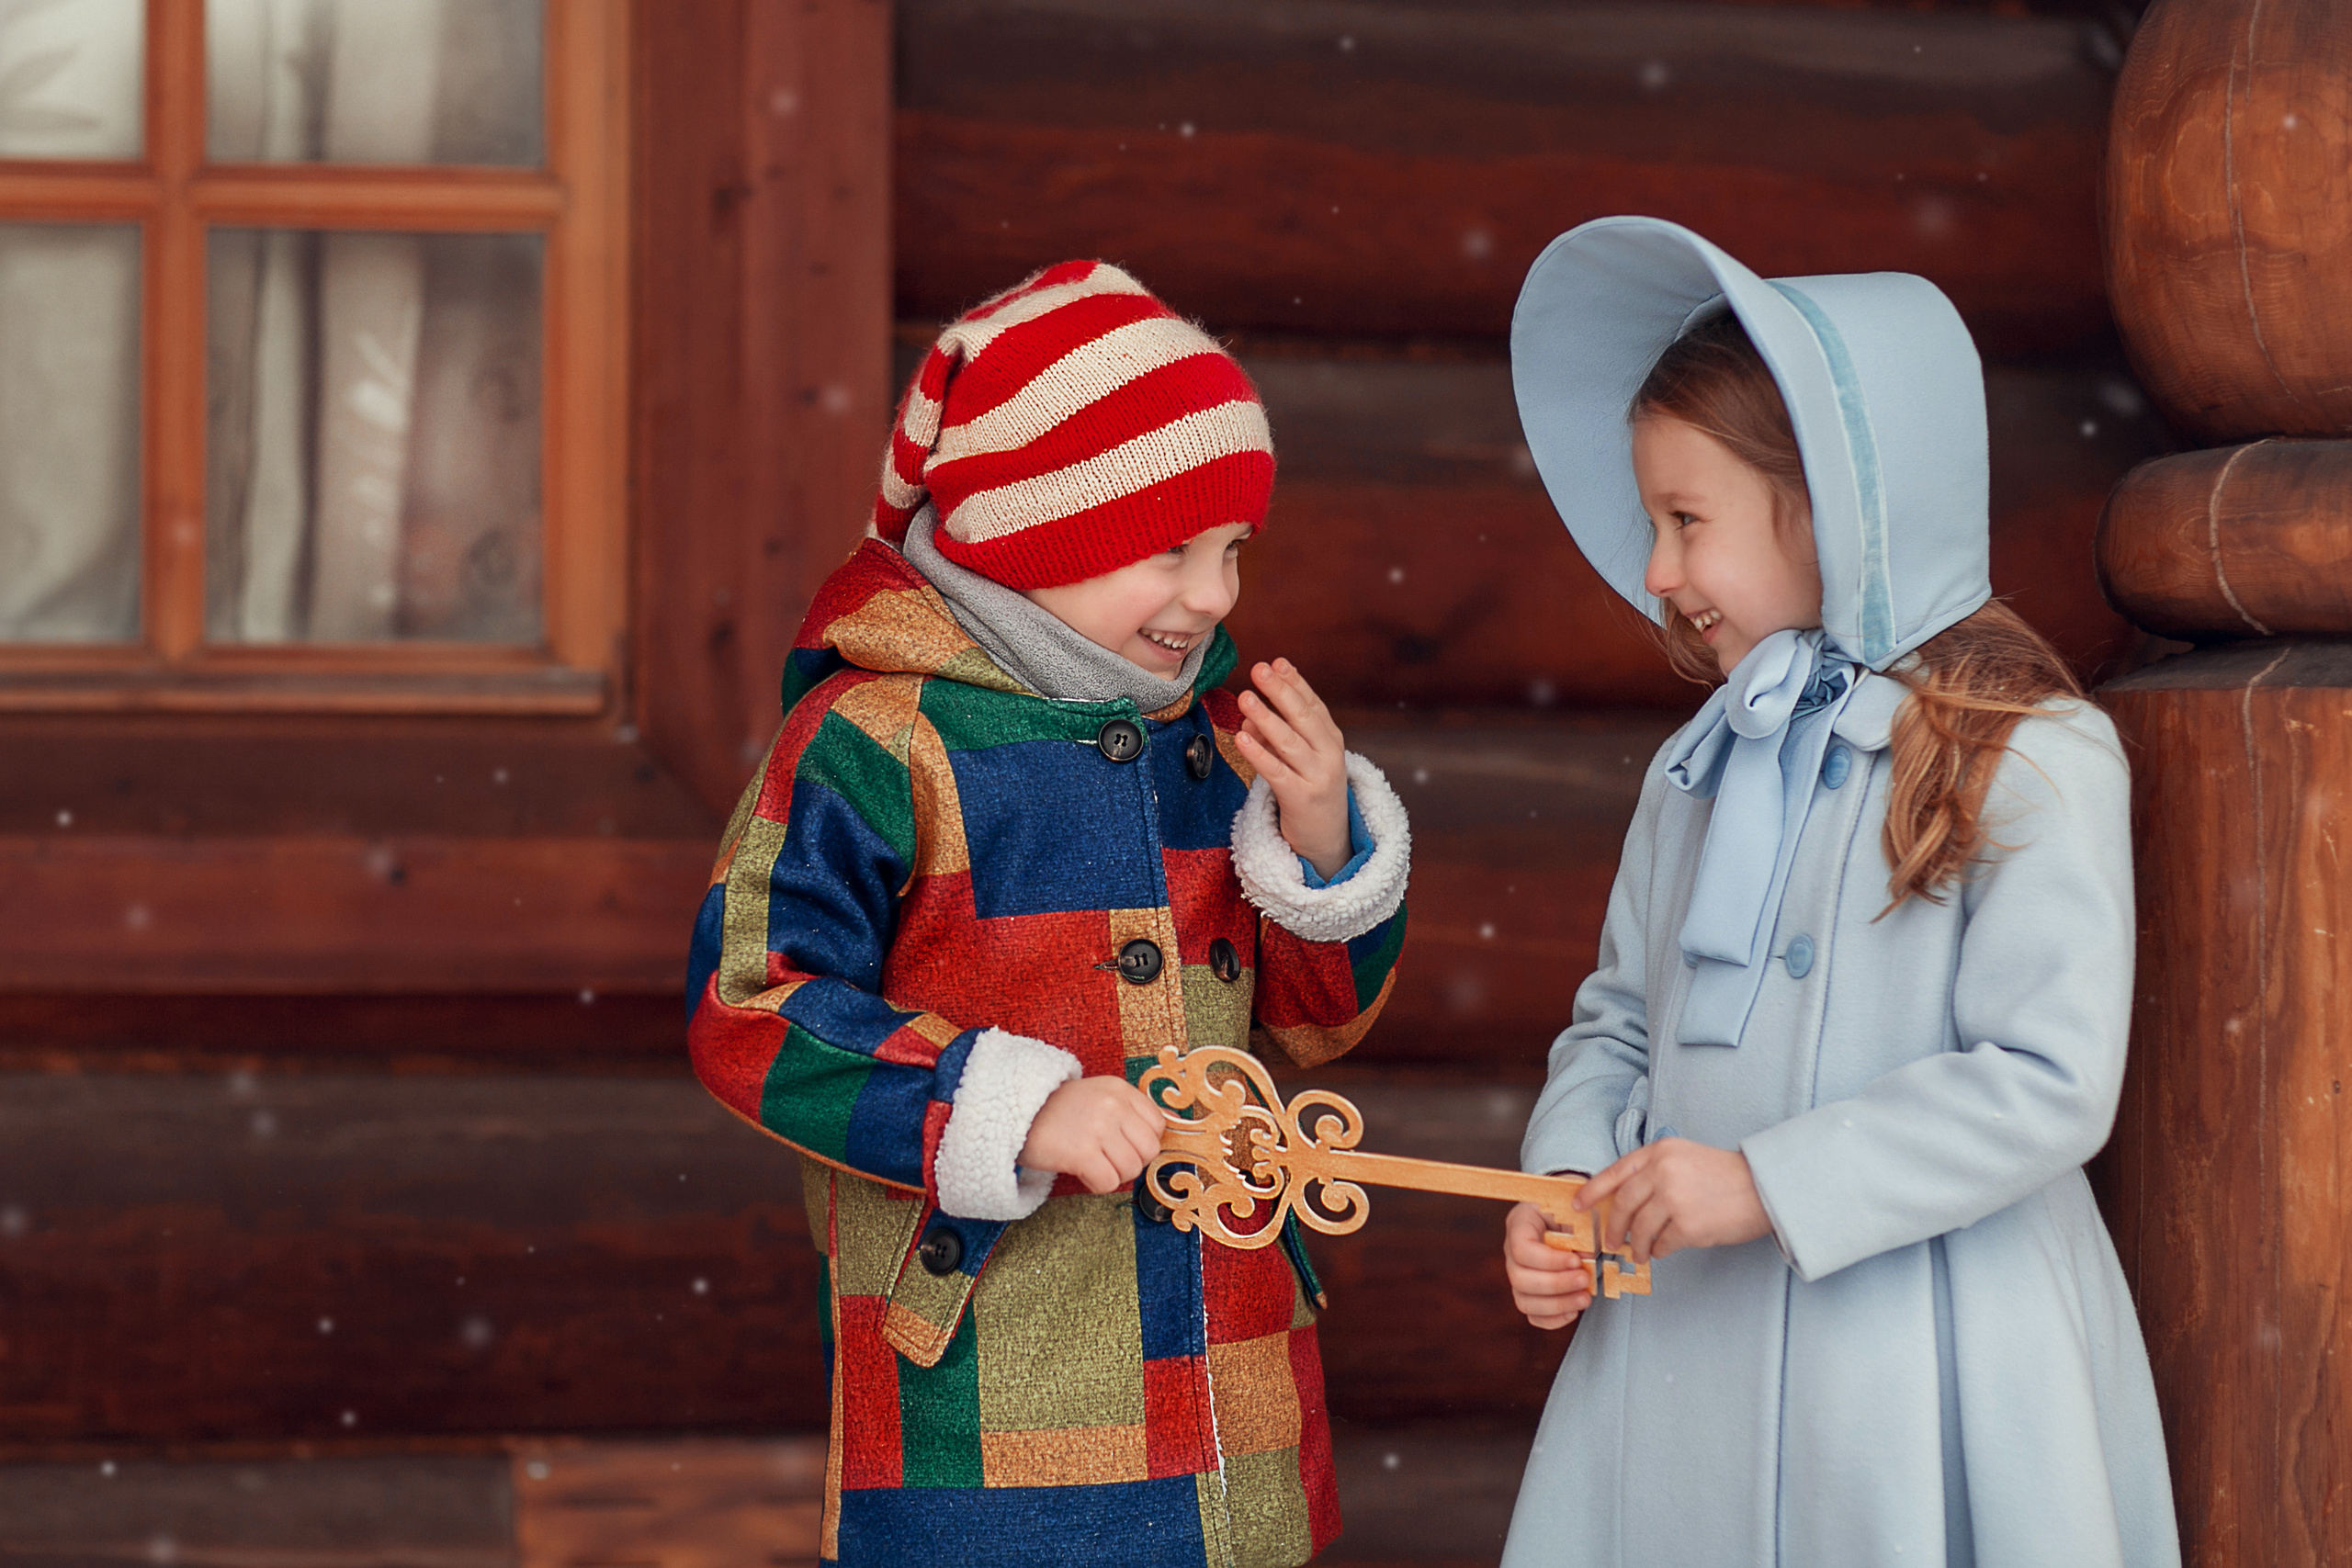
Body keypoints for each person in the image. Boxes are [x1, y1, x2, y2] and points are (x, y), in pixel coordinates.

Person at [685, 259, 1409, 1568]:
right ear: (1030, 536)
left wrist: (1319, 851)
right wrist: (1005, 1108)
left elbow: (1314, 1034)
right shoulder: (876, 738)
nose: (1216, 597)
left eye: (1235, 550)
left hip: (1230, 1377)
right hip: (989, 1383)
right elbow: (753, 1004)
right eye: (1172, 551)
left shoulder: (1213, 744)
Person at [1497, 218, 2177, 1567]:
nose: (1657, 573)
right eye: (1653, 524)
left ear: (1832, 504)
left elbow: (2047, 1076)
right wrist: (1567, 1180)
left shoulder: (2031, 758)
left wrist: (1769, 1183)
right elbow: (1618, 1025)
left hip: (1929, 1370)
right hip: (1683, 1359)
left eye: (1687, 521)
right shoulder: (1696, 773)